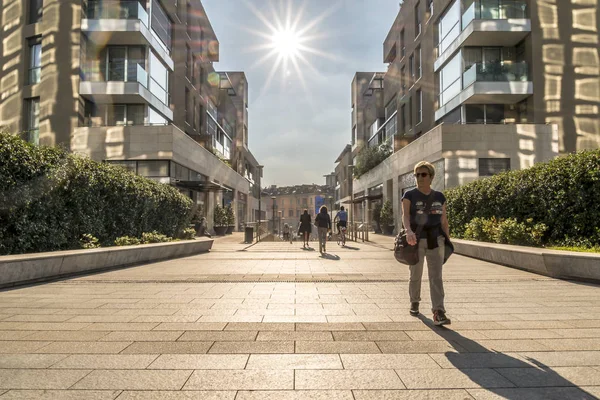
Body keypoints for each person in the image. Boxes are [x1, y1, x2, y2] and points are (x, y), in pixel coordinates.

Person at [401, 161, 451, 326]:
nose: (420, 178)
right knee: (416, 274)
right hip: (416, 240)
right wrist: (408, 231)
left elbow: (444, 220)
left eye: (423, 174)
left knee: (436, 277)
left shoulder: (439, 197)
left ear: (431, 176)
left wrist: (448, 240)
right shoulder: (409, 195)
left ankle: (439, 311)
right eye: (417, 175)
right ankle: (414, 301)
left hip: (436, 240)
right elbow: (405, 216)